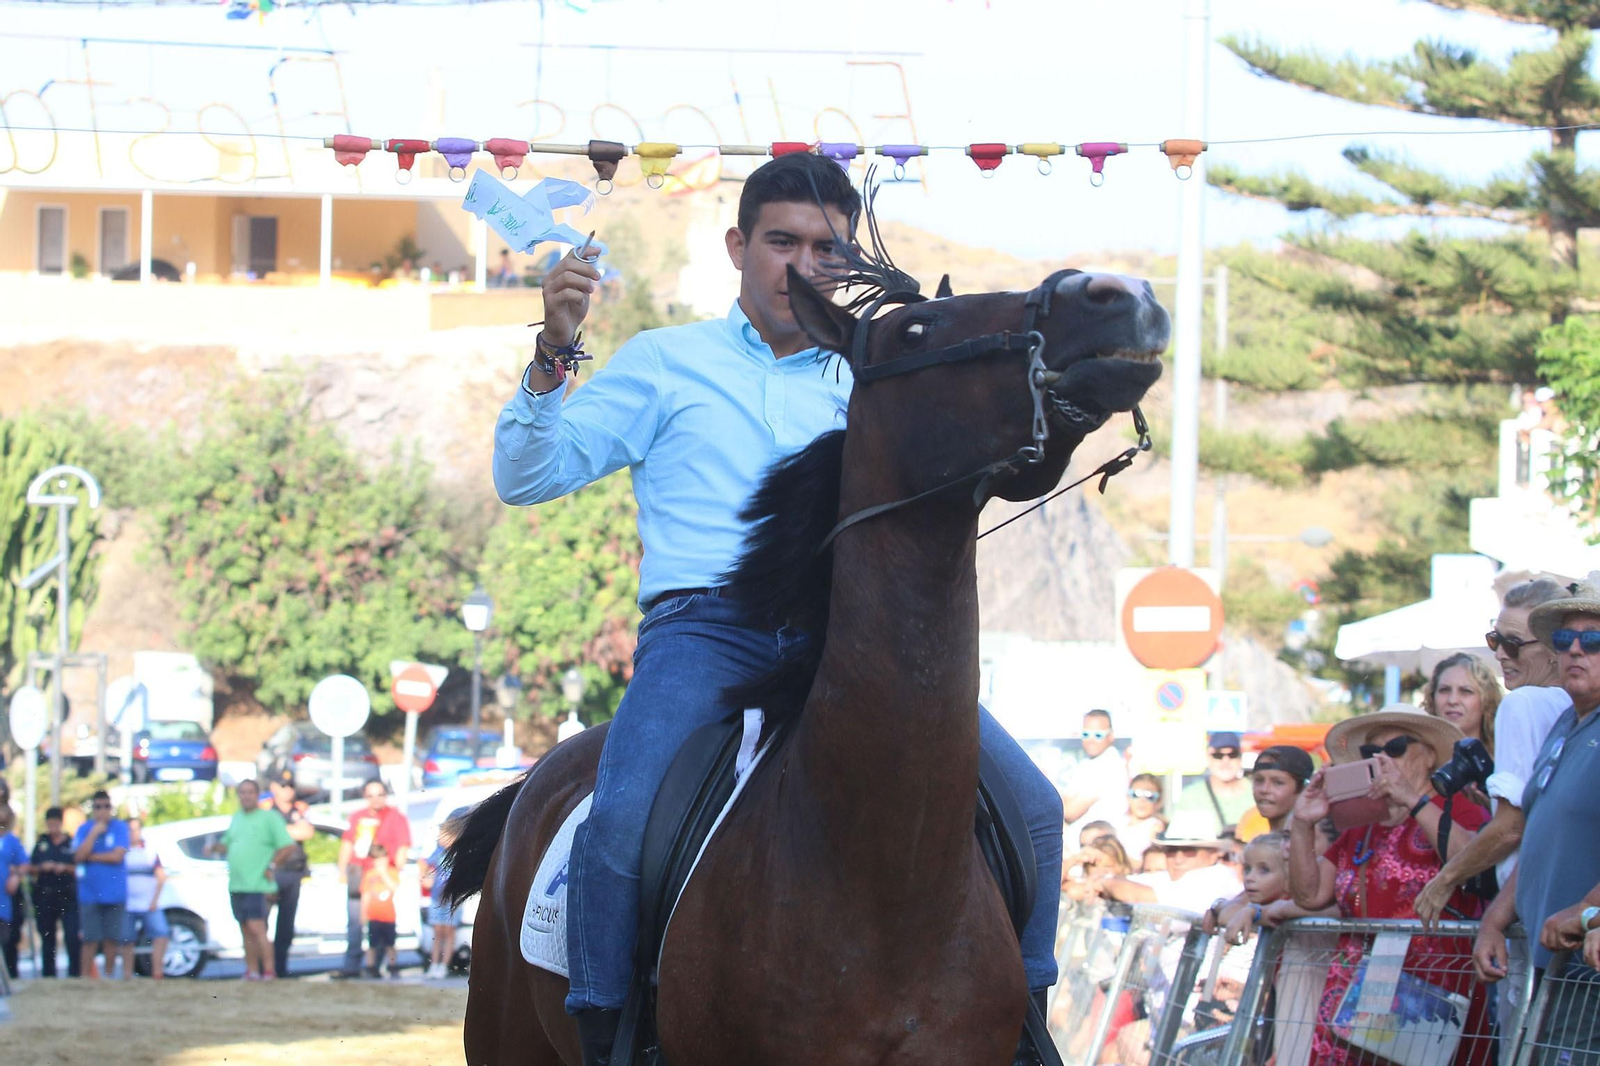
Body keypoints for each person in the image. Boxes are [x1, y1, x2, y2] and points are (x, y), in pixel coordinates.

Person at [493, 150, 1067, 1065]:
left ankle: (1027, 1021)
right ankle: (612, 1024)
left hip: (858, 640)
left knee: (1036, 805)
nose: (803, 265)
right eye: (781, 242)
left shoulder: (879, 377)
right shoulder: (665, 363)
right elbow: (526, 479)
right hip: (704, 632)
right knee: (622, 815)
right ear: (738, 246)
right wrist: (553, 352)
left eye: (828, 249)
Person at [1288, 705, 1491, 1066]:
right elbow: (1309, 895)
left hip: (1434, 1006)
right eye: (1371, 752)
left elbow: (1472, 863)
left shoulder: (1458, 808)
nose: (1382, 758)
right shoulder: (1362, 823)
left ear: (1429, 756)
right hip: (1354, 1006)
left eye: (1395, 746)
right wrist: (1303, 823)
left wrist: (1413, 800)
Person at [1416, 578, 1567, 1036]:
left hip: (1528, 921)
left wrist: (1446, 879)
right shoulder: (1573, 706)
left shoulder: (1523, 703)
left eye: (1514, 644)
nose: (1500, 654)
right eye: (1494, 639)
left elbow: (1511, 829)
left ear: (1552, 645)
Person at [1473, 573, 1600, 1064]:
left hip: (1588, 967)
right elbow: (1541, 840)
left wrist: (1584, 907)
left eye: (1591, 640)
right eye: (1563, 639)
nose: (1573, 650)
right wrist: (1495, 919)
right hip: (1555, 966)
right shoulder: (1567, 722)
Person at [211, 779, 296, 980]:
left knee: (258, 928)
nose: (246, 796)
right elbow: (227, 843)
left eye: (250, 792)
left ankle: (268, 970)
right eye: (242, 792)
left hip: (257, 884)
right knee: (245, 929)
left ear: (257, 794)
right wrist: (214, 847)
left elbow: (288, 845)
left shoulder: (269, 818)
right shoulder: (237, 818)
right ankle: (252, 971)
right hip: (238, 884)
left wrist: (272, 865)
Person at [1095, 811, 1243, 913]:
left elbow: (1136, 895)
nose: (1178, 859)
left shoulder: (1218, 877)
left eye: (1189, 851)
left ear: (1213, 854)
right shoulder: (1168, 878)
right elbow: (1131, 882)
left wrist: (1104, 883)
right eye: (1171, 850)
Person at [336, 779, 410, 979]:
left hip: (381, 875)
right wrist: (342, 870)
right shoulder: (357, 817)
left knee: (381, 923)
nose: (376, 799)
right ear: (365, 797)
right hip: (359, 872)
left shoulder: (395, 817)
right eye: (371, 795)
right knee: (356, 921)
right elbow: (347, 844)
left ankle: (376, 966)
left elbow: (403, 846)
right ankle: (352, 965)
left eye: (380, 794)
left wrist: (394, 872)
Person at [73, 790, 130, 979]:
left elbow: (117, 856)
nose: (103, 811)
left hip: (114, 892)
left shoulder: (120, 828)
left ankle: (108, 976)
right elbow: (78, 856)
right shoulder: (84, 829)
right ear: (93, 809)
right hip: (89, 892)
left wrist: (92, 857)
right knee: (89, 938)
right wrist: (94, 833)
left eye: (106, 806)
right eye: (98, 807)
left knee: (112, 938)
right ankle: (85, 978)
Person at [265, 775, 313, 977]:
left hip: (293, 872)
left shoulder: (300, 808)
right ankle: (264, 966)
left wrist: (282, 832)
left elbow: (306, 832)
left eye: (291, 786)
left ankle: (280, 967)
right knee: (262, 921)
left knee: (286, 924)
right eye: (284, 786)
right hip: (271, 871)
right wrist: (290, 831)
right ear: (274, 787)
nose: (288, 791)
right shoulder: (266, 808)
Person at [1061, 709, 1128, 844]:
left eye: (1098, 735)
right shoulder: (1086, 764)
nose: (1091, 740)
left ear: (1111, 736)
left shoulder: (1110, 765)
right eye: (1086, 734)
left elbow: (1069, 811)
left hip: (1098, 847)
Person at [30, 806, 81, 977]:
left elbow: (79, 867)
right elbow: (31, 866)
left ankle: (74, 974)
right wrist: (42, 867)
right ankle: (48, 975)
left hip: (67, 893)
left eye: (55, 824)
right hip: (46, 894)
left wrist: (64, 867)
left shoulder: (70, 843)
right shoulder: (42, 843)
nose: (52, 828)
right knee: (47, 936)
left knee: (72, 935)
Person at [1175, 731, 1252, 837]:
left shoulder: (1257, 793)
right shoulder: (1190, 796)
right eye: (1218, 755)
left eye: (1232, 754)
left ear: (1240, 758)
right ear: (1208, 757)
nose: (1226, 761)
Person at [1423, 651, 1501, 753]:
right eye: (1445, 690)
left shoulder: (1503, 760)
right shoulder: (1418, 760)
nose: (1452, 700)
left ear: (1487, 700)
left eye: (1466, 691)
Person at [121, 817, 168, 979]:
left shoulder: (149, 851)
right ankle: (127, 975)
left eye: (135, 829)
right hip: (127, 904)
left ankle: (157, 972)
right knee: (126, 939)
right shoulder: (121, 852)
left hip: (149, 903)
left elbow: (161, 876)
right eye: (129, 830)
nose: (132, 833)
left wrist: (155, 900)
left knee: (161, 934)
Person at [423, 812, 466, 979]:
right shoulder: (437, 852)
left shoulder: (459, 855)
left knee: (449, 931)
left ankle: (444, 965)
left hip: (451, 899)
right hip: (437, 898)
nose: (441, 838)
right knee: (437, 931)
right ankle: (434, 964)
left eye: (444, 835)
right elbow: (427, 868)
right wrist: (427, 878)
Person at [360, 843, 400, 978]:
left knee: (390, 943)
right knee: (372, 943)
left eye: (383, 859)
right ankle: (371, 967)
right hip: (373, 915)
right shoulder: (369, 875)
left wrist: (383, 873)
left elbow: (393, 887)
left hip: (388, 915)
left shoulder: (392, 872)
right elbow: (365, 894)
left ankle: (393, 966)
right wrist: (363, 913)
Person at [1118, 773, 1167, 863]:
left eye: (1149, 796)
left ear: (1159, 802)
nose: (1142, 801)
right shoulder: (1118, 823)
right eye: (1135, 794)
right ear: (1128, 797)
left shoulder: (1155, 826)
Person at [0, 813, 25, 979]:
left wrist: (16, 876)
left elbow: (24, 863)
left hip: (3, 903)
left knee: (5, 943)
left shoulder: (10, 840)